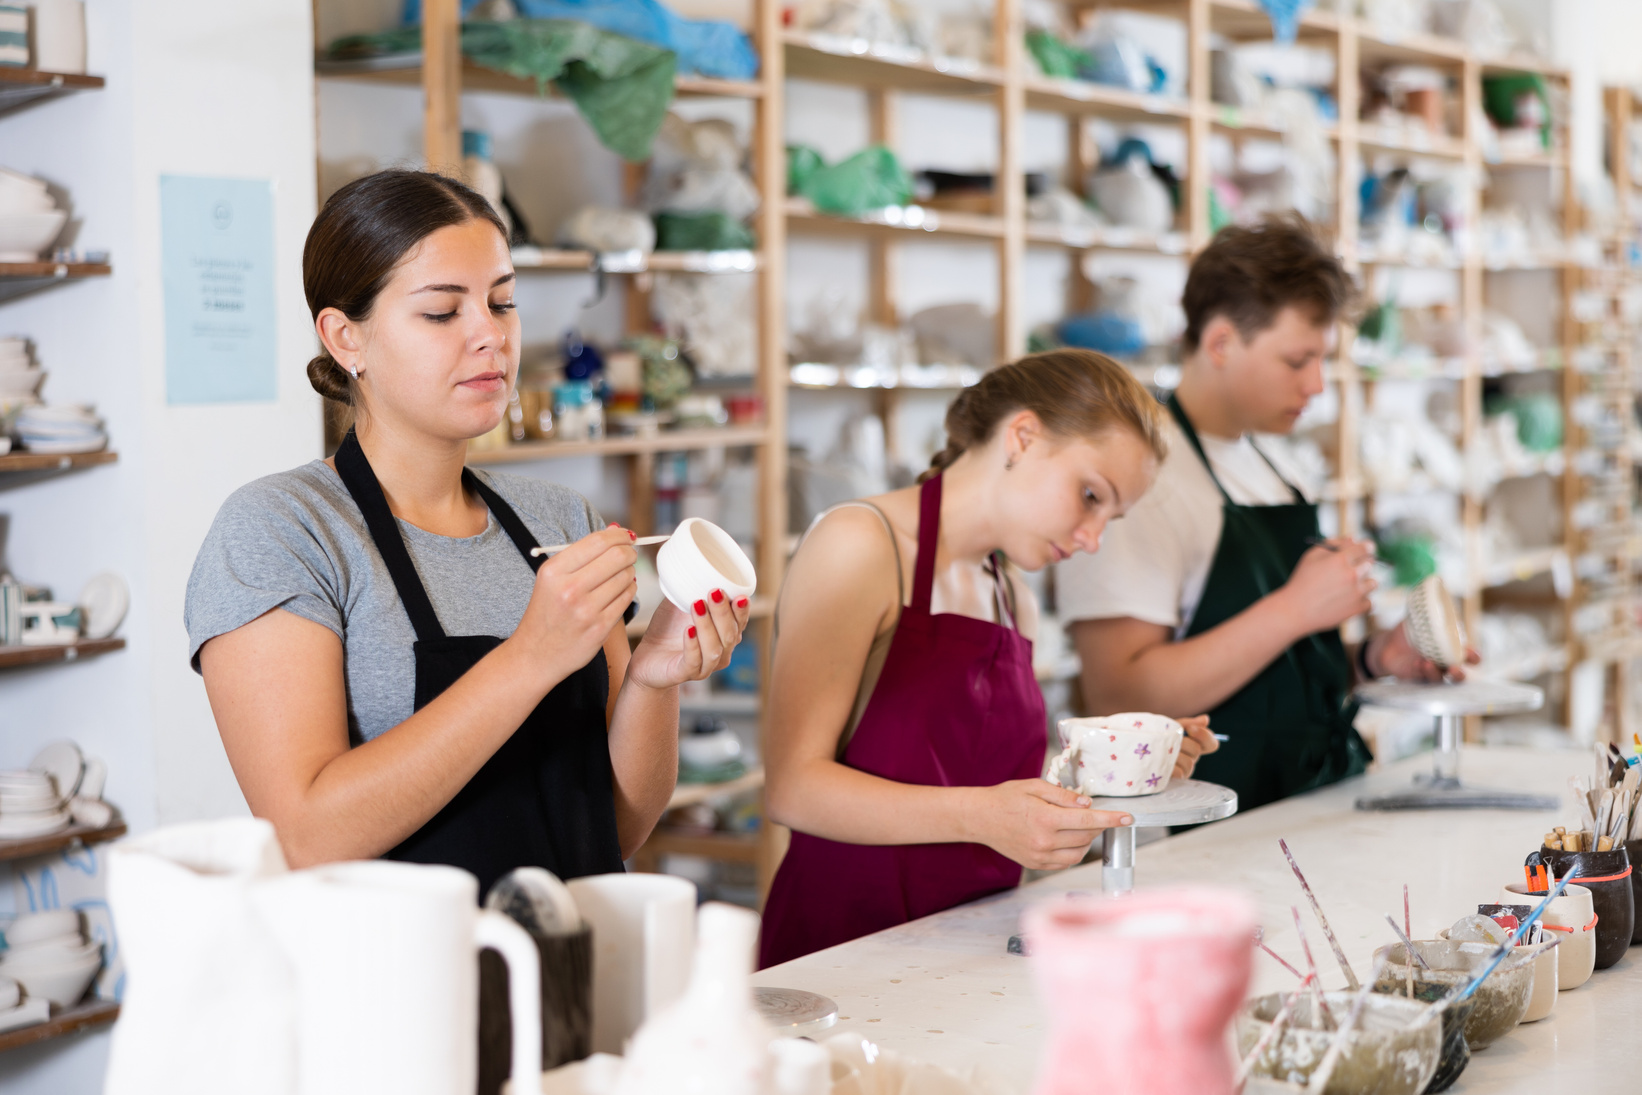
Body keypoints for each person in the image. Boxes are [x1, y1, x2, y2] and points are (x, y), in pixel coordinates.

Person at [185, 170, 748, 892]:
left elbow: (613, 828)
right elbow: (304, 836)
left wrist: (651, 680)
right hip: (400, 985)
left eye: (503, 302)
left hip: (569, 970)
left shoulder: (559, 521)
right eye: (442, 312)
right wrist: (529, 658)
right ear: (345, 336)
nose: (491, 335)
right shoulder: (284, 530)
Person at [759, 350, 1220, 968]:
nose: (1093, 539)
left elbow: (984, 785)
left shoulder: (1013, 599)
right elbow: (792, 787)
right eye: (1090, 496)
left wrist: (1131, 768)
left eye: (1111, 517)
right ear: (1023, 437)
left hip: (973, 946)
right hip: (845, 953)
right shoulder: (860, 546)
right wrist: (985, 816)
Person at [1059, 214, 1470, 815]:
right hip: (1205, 828)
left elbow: (1277, 680)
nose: (1318, 385)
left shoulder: (1274, 465)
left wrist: (1369, 660)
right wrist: (1294, 609)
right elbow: (1119, 694)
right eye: (1297, 360)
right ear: (1221, 342)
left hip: (1312, 800)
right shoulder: (1139, 478)